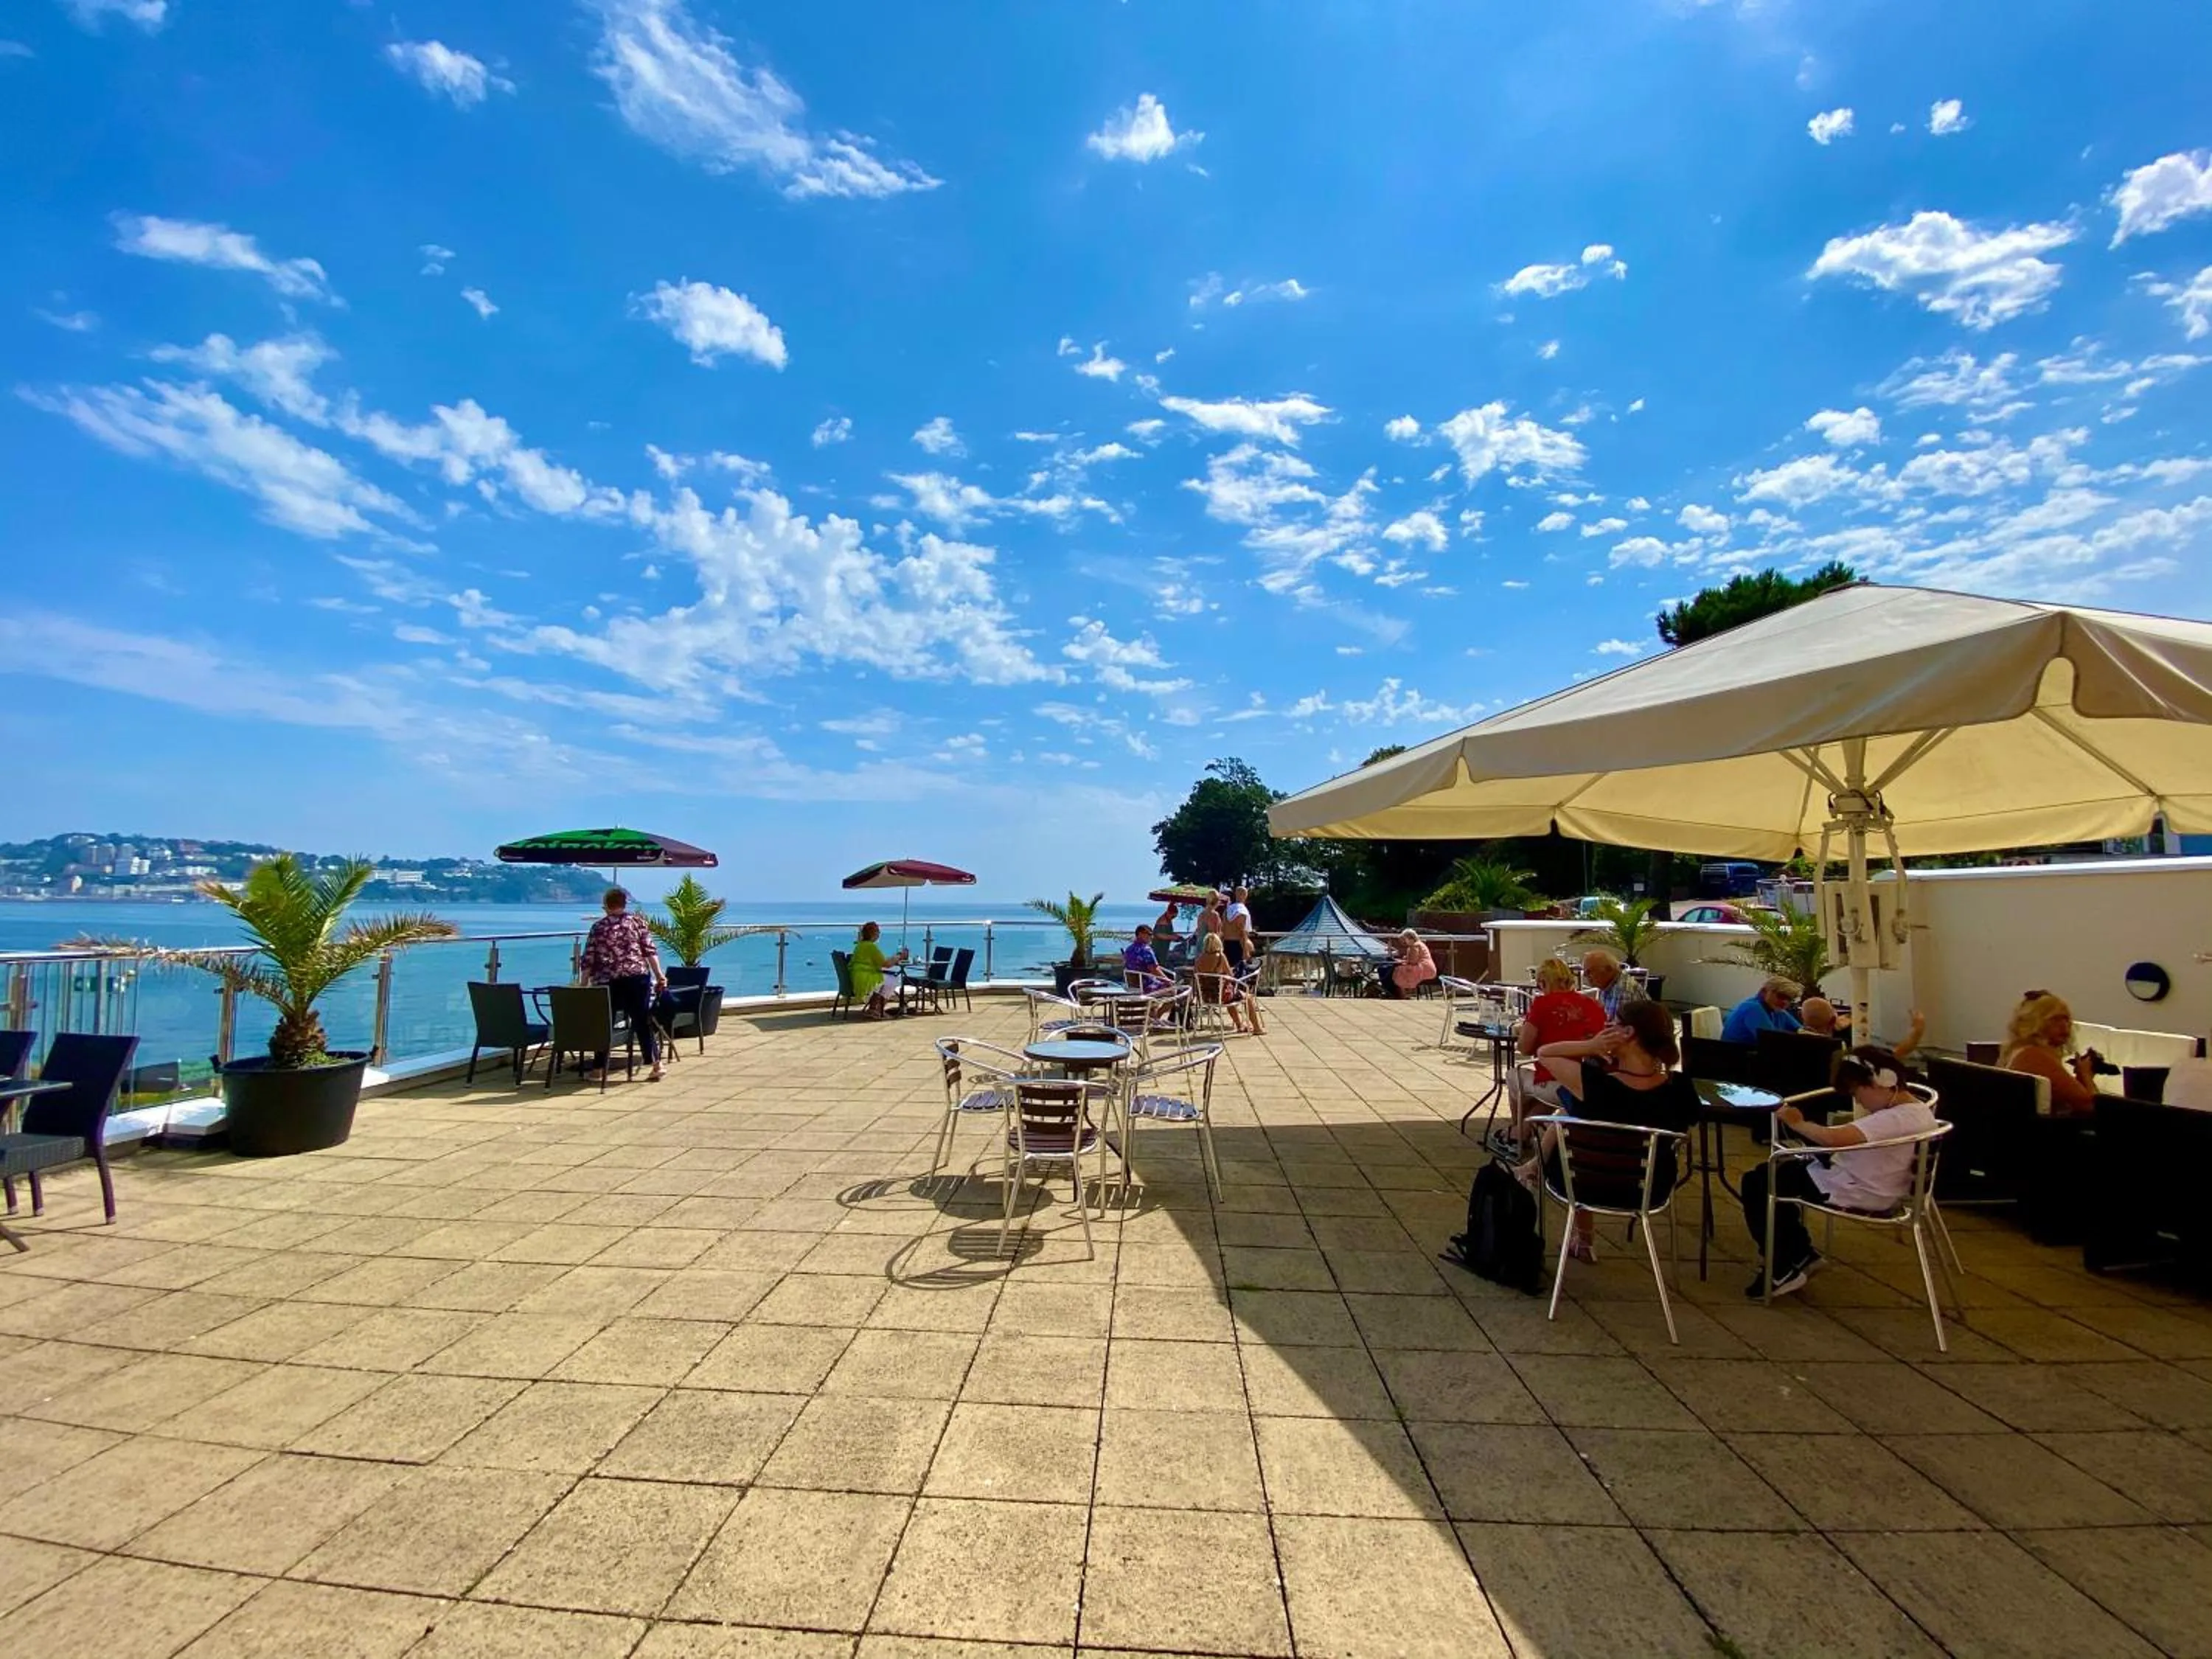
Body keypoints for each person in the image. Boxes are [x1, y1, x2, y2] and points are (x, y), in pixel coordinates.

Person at [1740, 1046, 1939, 1298]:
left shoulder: (1894, 1119)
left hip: (1859, 1190)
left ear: (1883, 1082)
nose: (1858, 1101)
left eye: (1857, 1092)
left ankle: (1782, 1266)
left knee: (1759, 1183)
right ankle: (1799, 1254)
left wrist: (1797, 1123)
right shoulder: (1917, 1111)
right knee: (1771, 1175)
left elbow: (1834, 1139)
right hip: (1874, 1184)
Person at [1517, 998, 1699, 1261]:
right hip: (1650, 1190)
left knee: (1574, 1124)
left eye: (1614, 1023)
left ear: (1628, 1033)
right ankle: (1582, 1237)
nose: (1606, 1026)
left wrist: (1590, 1046)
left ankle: (1583, 1237)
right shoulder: (1680, 1089)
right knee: (1576, 1118)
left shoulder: (1594, 1085)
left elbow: (1545, 1053)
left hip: (1585, 1187)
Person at [1507, 957, 1607, 1148]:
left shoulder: (1543, 1004)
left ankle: (1518, 1135)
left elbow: (1525, 1048)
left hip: (1554, 1080)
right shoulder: (1592, 1004)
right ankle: (1523, 1131)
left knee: (1514, 1076)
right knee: (1549, 1094)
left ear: (1543, 982)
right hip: (1586, 1081)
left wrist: (1522, 1030)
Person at [580, 888, 667, 1082]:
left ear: (606, 905)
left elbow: (589, 958)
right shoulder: (637, 922)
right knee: (642, 1020)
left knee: (605, 1023)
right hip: (637, 978)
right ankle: (656, 1064)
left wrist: (583, 984)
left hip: (608, 981)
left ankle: (598, 1069)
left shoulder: (599, 927)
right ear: (624, 904)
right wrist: (659, 975)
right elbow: (649, 951)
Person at [2000, 991, 2102, 1114]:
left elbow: (2071, 1098)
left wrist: (2080, 1077)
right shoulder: (2034, 1056)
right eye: (2055, 1019)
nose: (2064, 1026)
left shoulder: (2021, 1051)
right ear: (2035, 1022)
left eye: (2066, 1019)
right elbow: (2091, 1105)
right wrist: (2086, 1075)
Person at [1801, 996, 1926, 1061]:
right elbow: (1894, 1056)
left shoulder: (1796, 1043)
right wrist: (1917, 1031)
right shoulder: (1844, 1048)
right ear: (1833, 1020)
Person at [1194, 932, 1265, 1034]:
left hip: (1207, 996)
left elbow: (1197, 975)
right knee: (1248, 997)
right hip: (1221, 995)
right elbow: (1231, 976)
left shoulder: (1199, 959)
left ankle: (1240, 1026)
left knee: (1231, 996)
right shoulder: (1220, 957)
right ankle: (1257, 1028)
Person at [849, 920, 909, 1020]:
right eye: (878, 931)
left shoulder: (860, 945)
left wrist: (894, 959)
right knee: (893, 980)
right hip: (866, 978)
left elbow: (881, 962)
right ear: (873, 933)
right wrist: (899, 957)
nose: (879, 934)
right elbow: (886, 964)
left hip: (858, 976)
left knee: (886, 979)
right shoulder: (871, 947)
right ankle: (878, 1010)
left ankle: (873, 1008)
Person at [1723, 976, 1803, 1046]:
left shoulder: (1778, 1010)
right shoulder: (1752, 1008)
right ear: (1763, 992)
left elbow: (1801, 1031)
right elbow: (1771, 1041)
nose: (1785, 1002)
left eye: (1789, 999)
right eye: (1781, 996)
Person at [1581, 949, 1636, 1022]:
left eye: (1589, 972)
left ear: (1609, 969)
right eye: (1585, 972)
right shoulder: (1606, 985)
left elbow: (1620, 1027)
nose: (1585, 975)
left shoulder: (1624, 990)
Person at [1386, 930, 1437, 999]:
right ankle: (1403, 994)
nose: (1404, 942)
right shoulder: (1420, 944)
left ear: (1409, 938)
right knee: (1401, 970)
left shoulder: (1415, 946)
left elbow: (1413, 961)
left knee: (1399, 970)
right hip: (1428, 969)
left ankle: (1402, 995)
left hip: (1424, 969)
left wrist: (1401, 961)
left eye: (1404, 939)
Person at [1121, 924, 1172, 992]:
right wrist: (1168, 981)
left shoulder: (1129, 949)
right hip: (1147, 985)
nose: (1152, 937)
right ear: (1140, 934)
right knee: (1174, 988)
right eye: (1149, 934)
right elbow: (1154, 970)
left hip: (1133, 985)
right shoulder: (1146, 950)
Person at [1222, 886, 1253, 973]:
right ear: (1245, 896)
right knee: (1238, 974)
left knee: (1228, 972)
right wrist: (1246, 951)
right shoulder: (1242, 911)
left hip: (1227, 943)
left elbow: (1223, 929)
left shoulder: (1227, 910)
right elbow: (1242, 931)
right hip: (1238, 945)